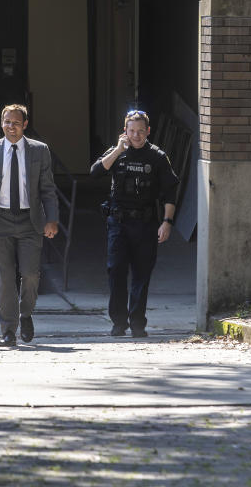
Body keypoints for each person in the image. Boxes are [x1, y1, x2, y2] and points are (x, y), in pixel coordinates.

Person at [0, 104, 59, 347]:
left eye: (16, 123)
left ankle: (25, 313)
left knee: (29, 275)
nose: (11, 126)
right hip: (0, 220)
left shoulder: (40, 150)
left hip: (30, 220)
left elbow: (48, 188)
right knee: (5, 278)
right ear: (1, 123)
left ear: (25, 125)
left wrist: (52, 219)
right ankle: (8, 330)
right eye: (7, 122)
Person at [90, 110, 179, 338]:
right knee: (116, 271)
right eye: (132, 131)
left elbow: (170, 191)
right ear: (125, 131)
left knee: (142, 274)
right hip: (118, 223)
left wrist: (167, 222)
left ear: (148, 131)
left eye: (141, 131)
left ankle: (138, 323)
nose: (136, 135)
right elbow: (95, 172)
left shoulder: (158, 157)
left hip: (146, 224)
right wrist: (119, 149)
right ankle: (119, 322)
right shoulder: (117, 152)